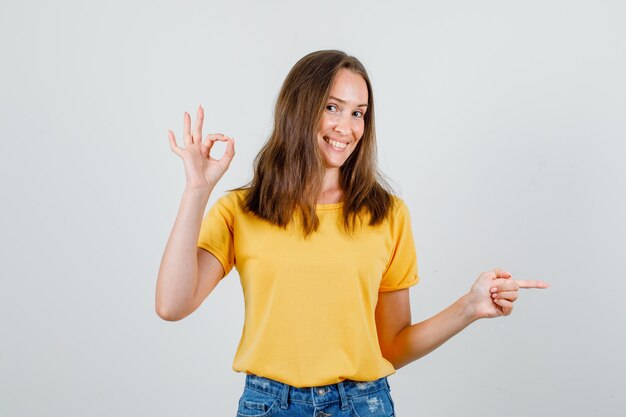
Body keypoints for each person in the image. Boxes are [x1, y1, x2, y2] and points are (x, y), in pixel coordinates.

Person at [155, 50, 549, 416]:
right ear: (298, 109)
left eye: (359, 113)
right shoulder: (241, 210)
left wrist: (469, 306)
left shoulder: (387, 214)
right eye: (332, 108)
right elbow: (172, 305)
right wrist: (197, 190)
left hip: (362, 404)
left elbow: (391, 345)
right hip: (268, 405)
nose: (347, 127)